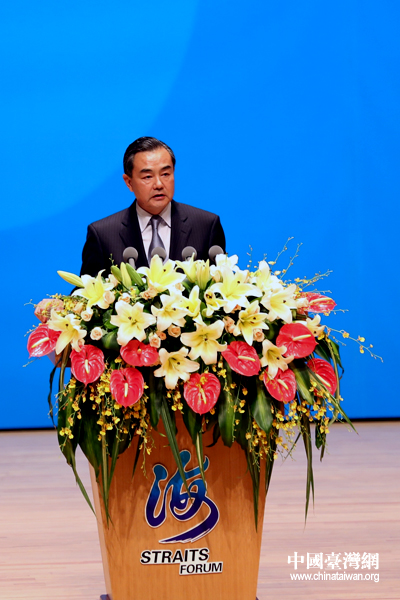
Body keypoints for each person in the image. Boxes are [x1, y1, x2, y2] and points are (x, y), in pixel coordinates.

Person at [80, 137, 226, 276]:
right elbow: (86, 289)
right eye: (148, 177)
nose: (159, 184)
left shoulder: (206, 226)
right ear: (129, 182)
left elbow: (222, 283)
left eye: (165, 174)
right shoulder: (103, 235)